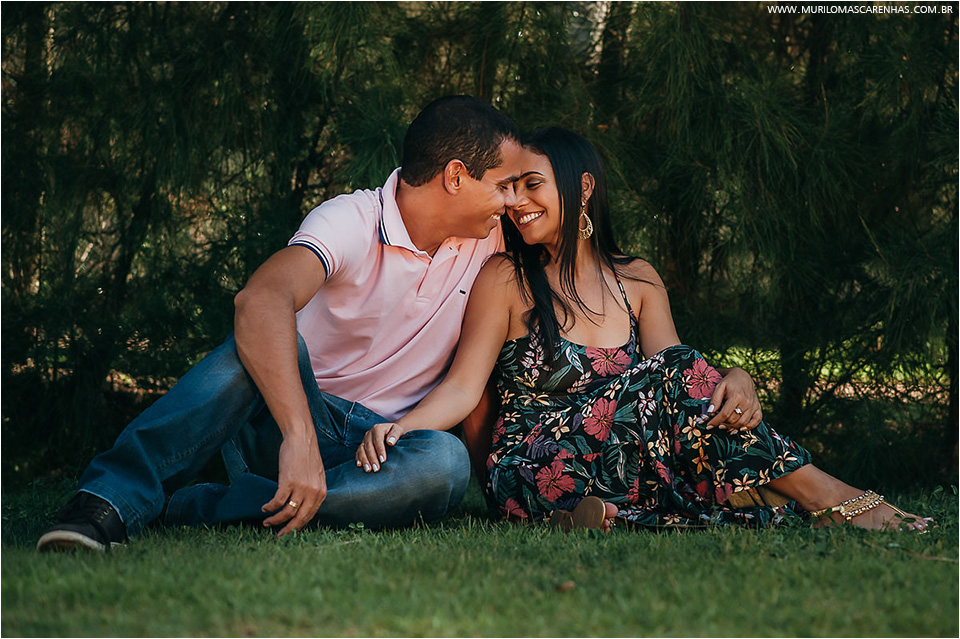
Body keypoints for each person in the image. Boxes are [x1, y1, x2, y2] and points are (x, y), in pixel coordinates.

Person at [356, 126, 930, 532]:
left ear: (582, 188)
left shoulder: (639, 280)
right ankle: (834, 497)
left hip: (630, 460)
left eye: (533, 184)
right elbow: (463, 387)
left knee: (698, 408)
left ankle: (599, 515)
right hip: (533, 463)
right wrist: (401, 430)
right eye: (510, 190)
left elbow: (686, 394)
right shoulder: (505, 278)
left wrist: (736, 376)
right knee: (682, 382)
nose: (516, 203)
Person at [37, 95, 529, 552]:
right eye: (503, 186)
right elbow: (260, 299)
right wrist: (300, 436)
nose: (512, 202)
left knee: (444, 464)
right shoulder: (352, 220)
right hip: (292, 418)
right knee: (258, 341)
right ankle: (106, 503)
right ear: (456, 176)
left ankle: (207, 508)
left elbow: (561, 220)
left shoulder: (490, 240)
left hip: (383, 448)